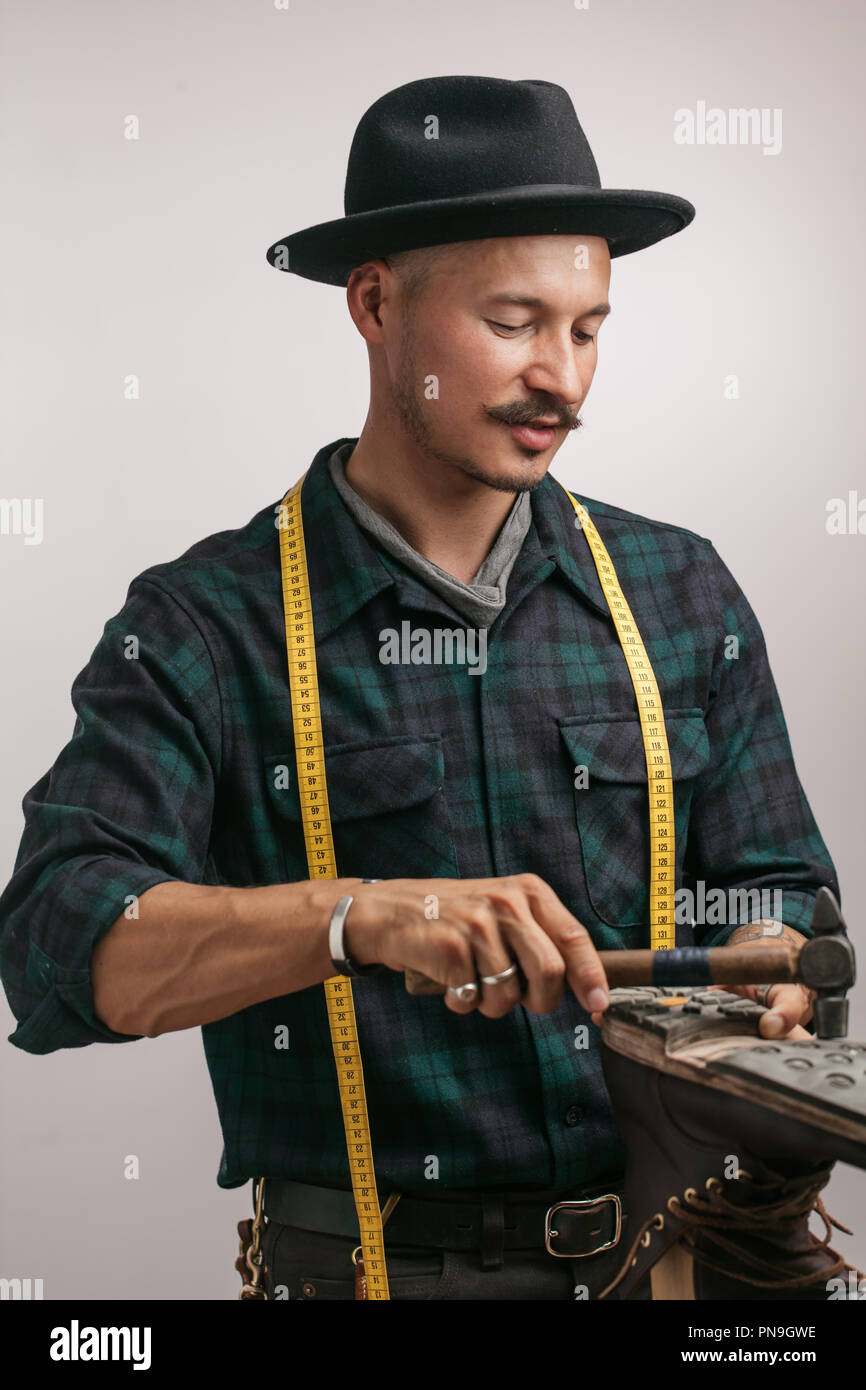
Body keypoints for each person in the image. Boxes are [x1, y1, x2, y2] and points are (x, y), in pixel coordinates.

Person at [0, 75, 836, 1301]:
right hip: (365, 1276)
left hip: (670, 1268)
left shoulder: (680, 590)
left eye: (588, 326)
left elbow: (779, 887)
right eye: (513, 323)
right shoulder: (203, 625)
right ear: (376, 301)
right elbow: (57, 945)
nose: (565, 380)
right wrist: (357, 917)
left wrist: (767, 953)